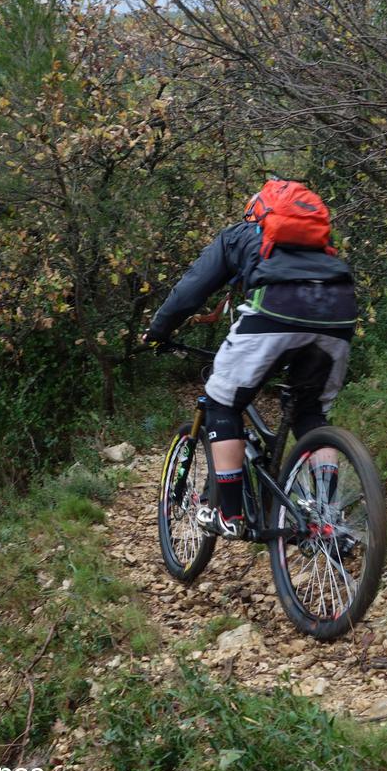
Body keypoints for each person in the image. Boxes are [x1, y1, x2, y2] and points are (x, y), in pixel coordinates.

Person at [144, 181, 356, 539]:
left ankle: (229, 514)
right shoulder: (321, 249)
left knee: (221, 402)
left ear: (256, 214)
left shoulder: (239, 235)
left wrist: (158, 331)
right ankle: (327, 518)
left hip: (276, 310)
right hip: (339, 312)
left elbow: (190, 292)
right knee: (309, 414)